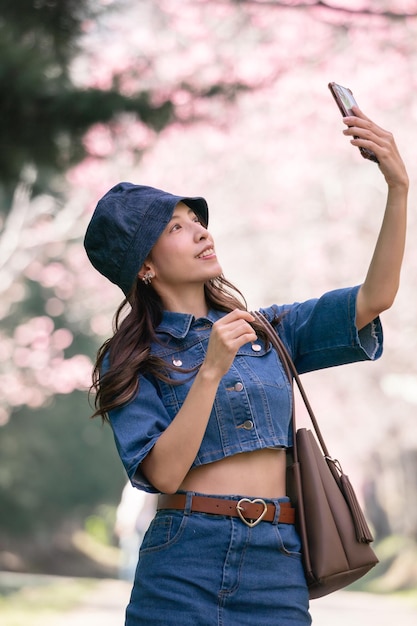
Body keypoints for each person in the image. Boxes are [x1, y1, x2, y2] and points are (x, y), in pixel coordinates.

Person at [84, 107, 408, 625]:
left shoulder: (267, 330)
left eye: (197, 222)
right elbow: (164, 473)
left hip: (277, 559)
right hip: (183, 557)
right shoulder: (131, 359)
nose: (200, 233)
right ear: (143, 267)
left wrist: (397, 188)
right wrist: (210, 369)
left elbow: (374, 298)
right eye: (176, 226)